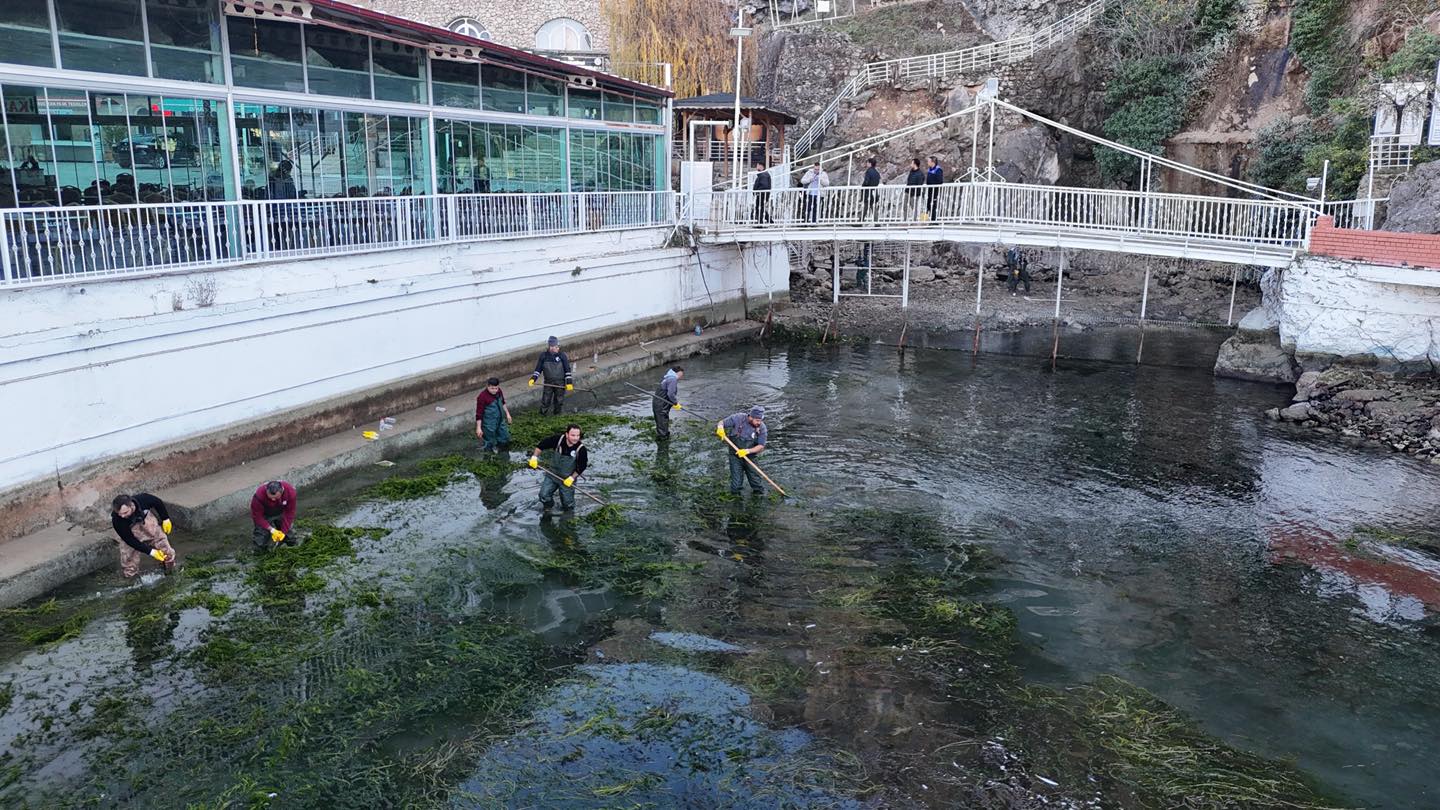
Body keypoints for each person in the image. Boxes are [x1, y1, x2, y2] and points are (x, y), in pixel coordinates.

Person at [110, 493, 177, 578]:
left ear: (131, 505)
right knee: (128, 558)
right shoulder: (117, 520)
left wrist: (165, 518)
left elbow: (157, 502)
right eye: (120, 514)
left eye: (125, 512)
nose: (123, 516)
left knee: (166, 549)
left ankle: (169, 570)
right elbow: (130, 540)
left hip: (147, 522)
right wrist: (151, 552)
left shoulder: (143, 499)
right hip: (130, 532)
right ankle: (131, 578)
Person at [528, 424, 589, 512]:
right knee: (543, 495)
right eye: (573, 435)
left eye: (578, 435)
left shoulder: (581, 449)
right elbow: (541, 445)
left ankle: (567, 517)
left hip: (567, 479)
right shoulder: (558, 440)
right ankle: (548, 508)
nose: (575, 438)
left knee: (568, 504)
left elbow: (582, 466)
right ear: (567, 434)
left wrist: (572, 478)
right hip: (552, 474)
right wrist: (534, 457)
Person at [717, 406, 769, 496]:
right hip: (735, 456)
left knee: (756, 482)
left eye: (760, 420)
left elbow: (761, 446)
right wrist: (720, 428)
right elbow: (721, 422)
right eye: (757, 420)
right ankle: (736, 502)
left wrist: (747, 451)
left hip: (750, 456)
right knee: (736, 485)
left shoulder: (762, 427)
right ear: (751, 417)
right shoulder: (738, 418)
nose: (759, 422)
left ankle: (759, 497)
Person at [529, 336, 574, 415]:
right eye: (552, 346)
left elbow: (567, 370)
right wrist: (533, 379)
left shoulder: (562, 356)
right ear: (549, 346)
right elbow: (538, 369)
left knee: (559, 400)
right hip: (548, 382)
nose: (555, 348)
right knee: (546, 400)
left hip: (560, 383)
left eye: (556, 346)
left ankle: (557, 415)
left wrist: (569, 383)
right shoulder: (543, 356)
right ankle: (542, 415)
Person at [250, 480, 297, 551]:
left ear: (282, 492)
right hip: (265, 515)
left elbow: (290, 513)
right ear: (266, 491)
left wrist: (283, 532)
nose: (273, 499)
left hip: (281, 512)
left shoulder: (290, 492)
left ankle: (291, 547)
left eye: (275, 498)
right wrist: (272, 530)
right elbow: (257, 517)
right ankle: (260, 553)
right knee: (260, 541)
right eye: (270, 498)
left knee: (290, 536)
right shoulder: (259, 495)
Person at [475, 376, 513, 451]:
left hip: (500, 420)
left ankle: (503, 455)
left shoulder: (499, 392)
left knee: (504, 437)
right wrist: (478, 428)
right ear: (487, 386)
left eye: (496, 388)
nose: (494, 390)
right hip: (489, 424)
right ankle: (488, 458)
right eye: (492, 388)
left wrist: (508, 414)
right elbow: (479, 414)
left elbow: (503, 402)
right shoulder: (482, 397)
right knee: (489, 443)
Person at [652, 365, 685, 440]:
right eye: (681, 374)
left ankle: (663, 435)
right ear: (677, 372)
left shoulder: (668, 378)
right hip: (661, 405)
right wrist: (675, 403)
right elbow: (670, 394)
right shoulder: (672, 379)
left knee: (661, 421)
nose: (681, 376)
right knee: (662, 421)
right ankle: (663, 438)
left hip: (658, 403)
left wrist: (673, 403)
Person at [924, 156, 944, 220]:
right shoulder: (930, 169)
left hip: (934, 190)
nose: (927, 162)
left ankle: (933, 220)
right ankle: (925, 219)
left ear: (933, 162)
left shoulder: (938, 170)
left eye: (928, 161)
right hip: (929, 190)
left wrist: (932, 183)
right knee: (927, 205)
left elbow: (940, 181)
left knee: (933, 205)